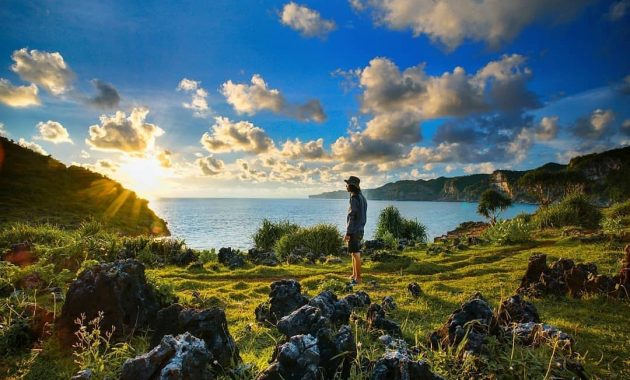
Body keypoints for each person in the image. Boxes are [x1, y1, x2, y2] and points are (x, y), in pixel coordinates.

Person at [344, 176, 367, 285]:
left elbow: (351, 216)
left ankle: (358, 278)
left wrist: (348, 233)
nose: (346, 186)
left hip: (354, 230)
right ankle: (354, 274)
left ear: (351, 186)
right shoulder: (362, 197)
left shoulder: (354, 198)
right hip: (360, 229)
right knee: (354, 253)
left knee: (356, 253)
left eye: (347, 184)